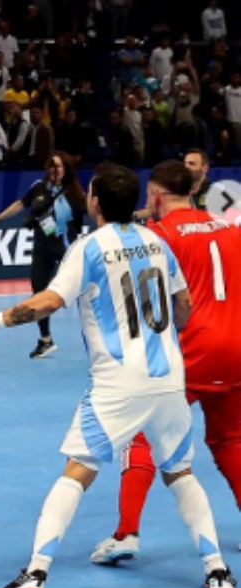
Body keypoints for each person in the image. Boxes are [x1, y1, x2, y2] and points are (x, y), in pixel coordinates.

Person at [0, 163, 236, 588]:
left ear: (94, 202)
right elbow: (184, 306)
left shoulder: (89, 248)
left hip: (117, 385)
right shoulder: (156, 241)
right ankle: (217, 571)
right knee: (181, 472)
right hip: (169, 378)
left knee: (77, 472)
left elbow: (50, 301)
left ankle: (36, 573)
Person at [91, 161, 241, 565]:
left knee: (140, 436)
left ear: (156, 196)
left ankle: (126, 534)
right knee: (230, 439)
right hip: (236, 345)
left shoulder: (158, 236)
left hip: (193, 349)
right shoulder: (230, 227)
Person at [0, 152, 86, 358]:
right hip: (42, 250)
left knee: (82, 293)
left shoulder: (75, 194)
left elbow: (93, 213)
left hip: (68, 251)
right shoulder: (38, 188)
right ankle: (45, 339)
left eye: (58, 167)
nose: (54, 170)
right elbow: (20, 205)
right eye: (51, 166)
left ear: (66, 169)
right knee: (39, 293)